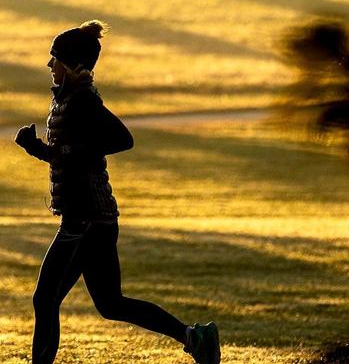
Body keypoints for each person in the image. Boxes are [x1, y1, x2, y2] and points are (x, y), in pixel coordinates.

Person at [14, 20, 220, 364]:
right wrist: (35, 148)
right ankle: (195, 337)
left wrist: (67, 151)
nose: (49, 65)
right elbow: (69, 154)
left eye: (55, 59)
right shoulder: (68, 100)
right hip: (96, 218)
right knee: (111, 304)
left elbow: (121, 139)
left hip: (85, 220)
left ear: (71, 64)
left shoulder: (83, 102)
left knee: (45, 299)